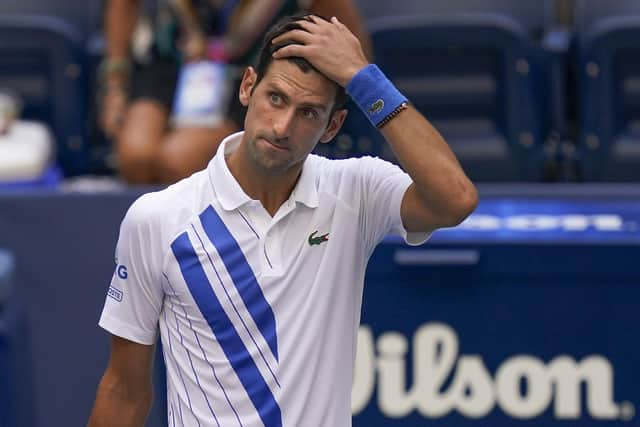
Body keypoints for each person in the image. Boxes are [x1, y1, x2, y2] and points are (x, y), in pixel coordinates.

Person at [88, 13, 478, 427]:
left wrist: (365, 78)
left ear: (333, 126)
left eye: (309, 113)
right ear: (247, 86)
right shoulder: (158, 220)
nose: (282, 126)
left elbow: (454, 198)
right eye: (276, 98)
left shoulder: (356, 191)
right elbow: (124, 392)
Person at [99, 0, 371, 184]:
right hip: (171, 60)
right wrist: (115, 87)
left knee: (178, 160)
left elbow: (349, 41)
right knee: (136, 156)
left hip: (254, 73)